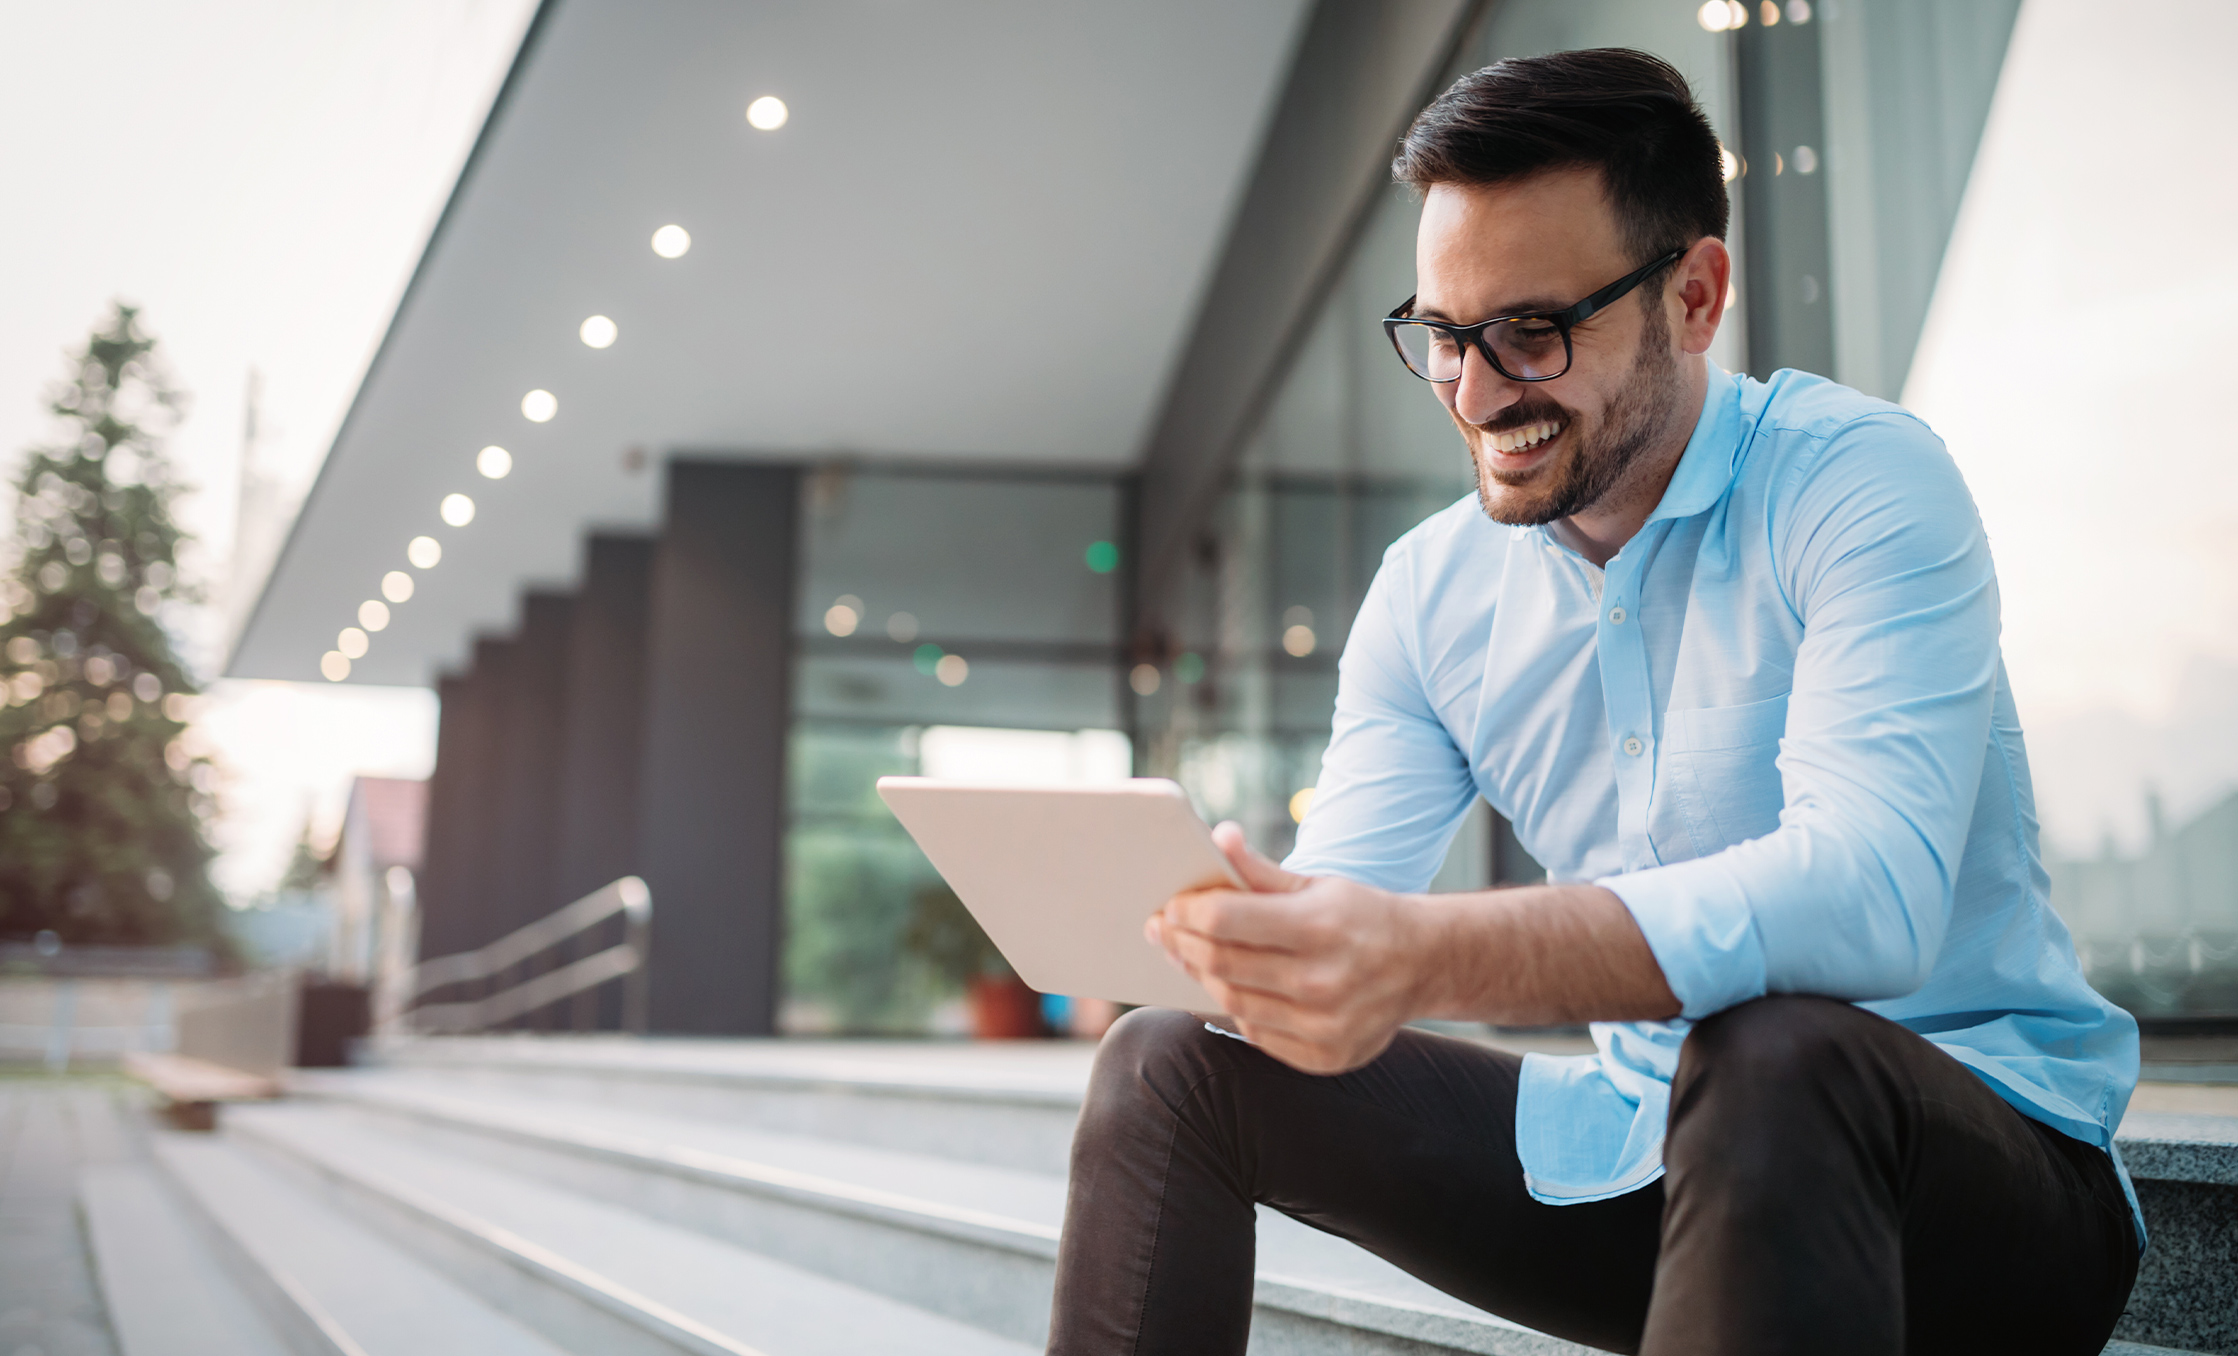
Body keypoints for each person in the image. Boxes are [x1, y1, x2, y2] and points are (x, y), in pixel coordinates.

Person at [1047, 48, 2140, 1356]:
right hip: (1645, 1159)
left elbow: (1866, 896)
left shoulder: (1856, 481)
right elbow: (1342, 894)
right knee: (1169, 1067)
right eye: (1443, 337)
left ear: (1693, 295)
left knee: (1778, 1048)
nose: (1473, 390)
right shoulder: (1429, 593)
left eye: (1530, 332)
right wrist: (1256, 952)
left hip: (1979, 1182)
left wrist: (1421, 951)